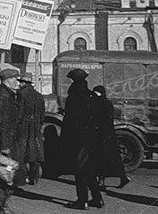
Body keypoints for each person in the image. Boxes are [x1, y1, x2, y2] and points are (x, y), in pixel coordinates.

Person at [62, 68, 103, 210]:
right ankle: (97, 199)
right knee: (90, 169)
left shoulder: (73, 97)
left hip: (78, 137)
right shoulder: (91, 96)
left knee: (79, 170)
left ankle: (82, 200)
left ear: (73, 81)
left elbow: (69, 120)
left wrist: (65, 139)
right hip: (92, 138)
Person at [0, 68, 23, 214]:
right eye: (15, 79)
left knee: (7, 176)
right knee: (0, 177)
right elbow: (1, 123)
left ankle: (2, 207)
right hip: (2, 144)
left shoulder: (6, 94)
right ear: (8, 80)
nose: (17, 82)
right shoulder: (3, 96)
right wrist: (5, 146)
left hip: (6, 142)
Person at [92, 85, 130, 189]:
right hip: (108, 135)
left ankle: (101, 180)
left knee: (101, 157)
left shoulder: (102, 104)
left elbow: (104, 120)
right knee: (112, 157)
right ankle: (122, 177)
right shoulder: (105, 103)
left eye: (97, 93)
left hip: (103, 135)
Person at [17, 73, 45, 185]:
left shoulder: (20, 94)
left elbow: (19, 112)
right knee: (34, 152)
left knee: (21, 151)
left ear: (23, 83)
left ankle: (23, 177)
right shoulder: (39, 95)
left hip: (23, 125)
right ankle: (34, 177)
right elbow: (42, 114)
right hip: (36, 125)